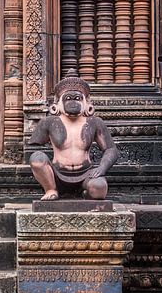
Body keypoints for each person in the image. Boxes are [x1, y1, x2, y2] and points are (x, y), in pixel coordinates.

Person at [29, 70, 118, 200]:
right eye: (68, 98)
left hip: (86, 173)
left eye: (77, 98)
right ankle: (51, 189)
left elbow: (111, 149)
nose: (73, 102)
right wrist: (44, 169)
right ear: (58, 104)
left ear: (86, 103)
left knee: (99, 189)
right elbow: (33, 148)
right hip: (56, 174)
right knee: (36, 158)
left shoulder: (94, 122)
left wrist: (102, 168)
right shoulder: (49, 122)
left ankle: (85, 193)